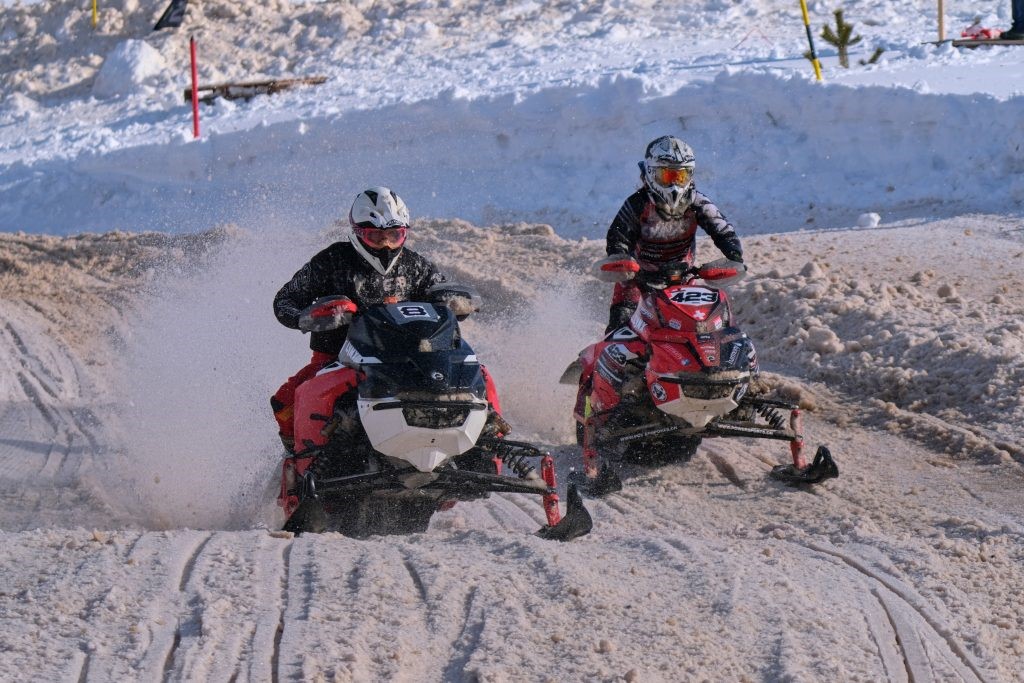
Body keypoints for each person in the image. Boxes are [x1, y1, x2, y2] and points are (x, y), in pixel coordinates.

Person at [270, 186, 503, 453]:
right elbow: (284, 301)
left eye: (394, 235)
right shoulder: (330, 261)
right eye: (375, 236)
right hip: (338, 358)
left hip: (407, 360)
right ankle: (300, 461)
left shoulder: (415, 266)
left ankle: (491, 436)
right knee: (284, 403)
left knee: (477, 371)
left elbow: (444, 292)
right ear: (357, 233)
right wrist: (306, 317)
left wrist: (454, 303)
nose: (386, 245)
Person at [602, 135, 744, 333]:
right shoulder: (636, 204)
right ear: (651, 173)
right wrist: (621, 260)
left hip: (683, 281)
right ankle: (598, 362)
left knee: (704, 328)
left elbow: (722, 229)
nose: (675, 185)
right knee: (618, 331)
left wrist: (734, 255)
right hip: (636, 282)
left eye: (681, 176)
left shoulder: (698, 203)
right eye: (668, 176)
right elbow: (618, 237)